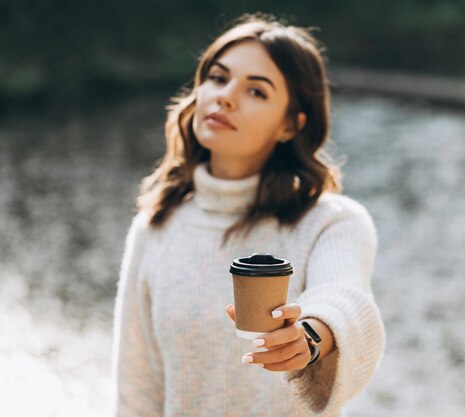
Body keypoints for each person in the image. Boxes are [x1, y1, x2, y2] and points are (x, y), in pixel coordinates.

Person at [111, 12, 385, 417]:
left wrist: (309, 336)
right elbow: (137, 389)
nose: (225, 96)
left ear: (291, 125)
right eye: (218, 78)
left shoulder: (332, 222)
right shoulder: (156, 226)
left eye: (256, 91)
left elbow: (344, 298)